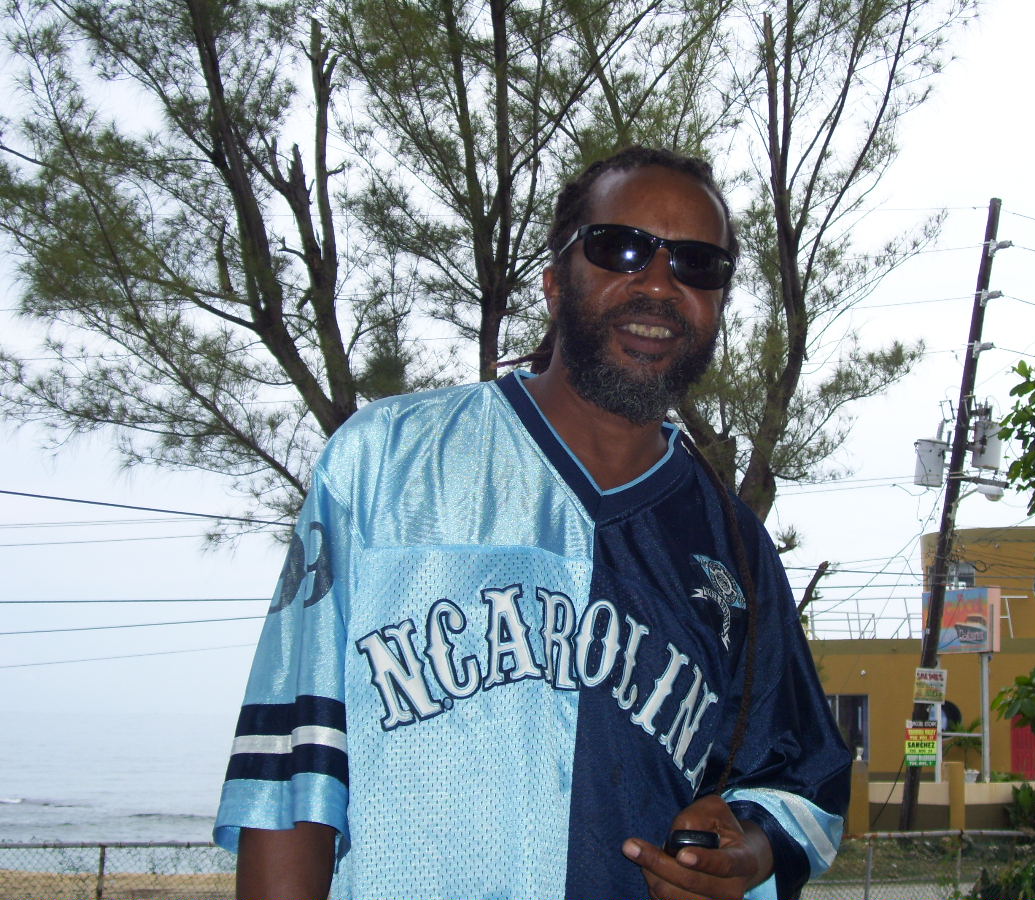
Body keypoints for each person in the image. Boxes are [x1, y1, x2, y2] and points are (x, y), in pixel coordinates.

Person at [214, 146, 851, 900]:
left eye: (696, 263)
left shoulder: (735, 550)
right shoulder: (384, 462)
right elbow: (293, 772)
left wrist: (746, 853)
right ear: (555, 283)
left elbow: (798, 779)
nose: (658, 283)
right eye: (620, 248)